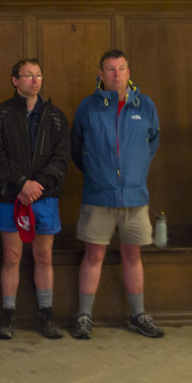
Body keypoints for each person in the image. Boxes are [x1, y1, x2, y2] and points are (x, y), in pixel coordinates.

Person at [70, 49, 163, 339]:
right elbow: (77, 149)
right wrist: (98, 173)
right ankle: (84, 316)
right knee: (94, 253)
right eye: (110, 69)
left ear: (129, 72)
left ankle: (138, 315)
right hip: (99, 196)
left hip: (135, 197)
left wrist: (133, 173)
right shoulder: (88, 107)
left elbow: (152, 144)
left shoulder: (144, 105)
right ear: (100, 74)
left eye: (121, 68)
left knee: (132, 255)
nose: (116, 74)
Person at [0, 59, 69, 340]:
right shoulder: (0, 115)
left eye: (38, 75)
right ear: (14, 80)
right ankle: (8, 316)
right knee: (12, 256)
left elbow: (61, 158)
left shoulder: (55, 116)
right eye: (28, 75)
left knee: (44, 256)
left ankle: (46, 315)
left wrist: (37, 185)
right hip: (11, 195)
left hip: (44, 196)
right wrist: (22, 184)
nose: (34, 80)